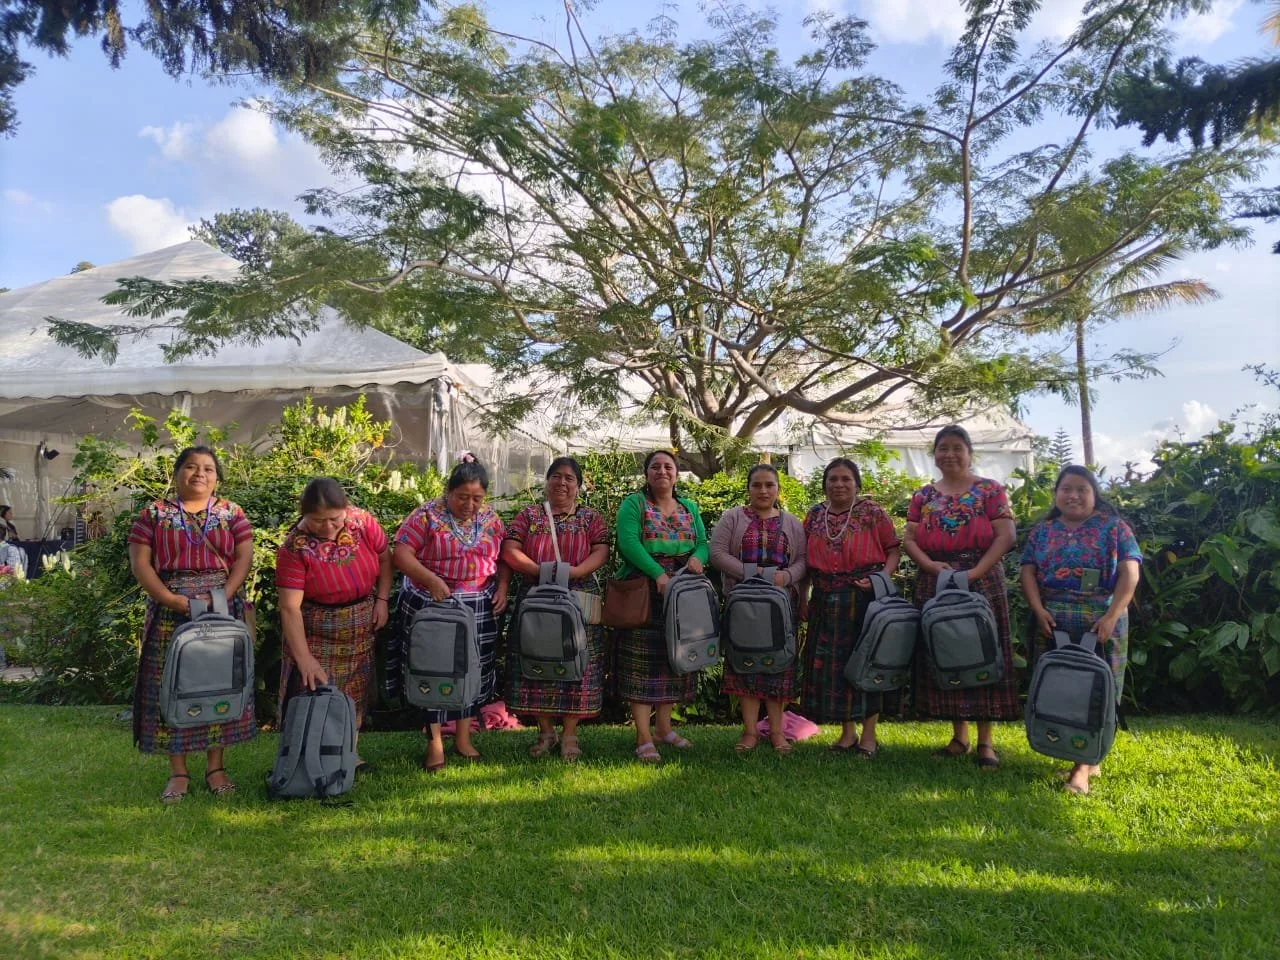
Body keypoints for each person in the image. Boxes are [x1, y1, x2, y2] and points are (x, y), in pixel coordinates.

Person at [126, 446, 255, 802]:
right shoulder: (153, 514)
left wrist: (225, 594)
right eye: (191, 467)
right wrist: (169, 599)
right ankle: (178, 772)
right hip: (171, 608)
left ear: (217, 476)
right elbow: (141, 564)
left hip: (222, 606)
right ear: (177, 472)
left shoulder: (232, 513)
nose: (200, 474)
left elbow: (245, 556)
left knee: (219, 684)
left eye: (209, 468)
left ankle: (216, 768)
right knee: (171, 686)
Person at [1020, 465, 1142, 795]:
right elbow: (1027, 572)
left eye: (1082, 489)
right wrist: (1038, 609)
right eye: (1066, 488)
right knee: (1060, 689)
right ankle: (1078, 751)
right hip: (1053, 619)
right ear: (1056, 493)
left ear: (1094, 495)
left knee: (1095, 692)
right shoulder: (1042, 531)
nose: (1073, 495)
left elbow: (1130, 573)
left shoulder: (1114, 528)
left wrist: (1112, 616)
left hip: (1102, 620)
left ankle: (1082, 767)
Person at [903, 424, 1018, 770]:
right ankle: (959, 737)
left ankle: (986, 743)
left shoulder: (989, 491)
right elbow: (909, 539)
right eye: (942, 448)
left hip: (981, 579)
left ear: (969, 453)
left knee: (982, 654)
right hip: (936, 581)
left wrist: (976, 572)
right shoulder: (924, 495)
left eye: (957, 447)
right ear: (934, 454)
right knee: (948, 651)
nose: (949, 454)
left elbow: (1006, 535)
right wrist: (933, 567)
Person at [391, 458, 509, 772]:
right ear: (448, 491)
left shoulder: (491, 519)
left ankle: (463, 737)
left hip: (477, 605)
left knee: (470, 669)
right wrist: (432, 580)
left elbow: (506, 554)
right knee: (433, 670)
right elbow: (401, 552)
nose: (470, 504)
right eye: (462, 497)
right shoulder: (426, 516)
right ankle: (434, 743)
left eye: (477, 498)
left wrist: (503, 587)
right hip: (432, 603)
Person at [275, 478, 392, 772]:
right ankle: (312, 757)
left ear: (346, 510)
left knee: (355, 692)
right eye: (318, 521)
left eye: (334, 519)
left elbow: (385, 557)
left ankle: (349, 754)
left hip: (361, 622)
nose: (327, 527)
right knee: (317, 692)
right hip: (317, 630)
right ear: (305, 514)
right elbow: (289, 607)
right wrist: (304, 658)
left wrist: (382, 600)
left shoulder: (362, 522)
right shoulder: (294, 548)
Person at [502, 457, 611, 761]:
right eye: (556, 477)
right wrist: (539, 570)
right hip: (536, 596)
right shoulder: (529, 516)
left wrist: (574, 573)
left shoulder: (591, 518)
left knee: (578, 663)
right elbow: (510, 548)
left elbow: (601, 550)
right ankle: (546, 731)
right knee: (536, 660)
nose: (562, 483)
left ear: (578, 486)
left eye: (569, 478)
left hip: (578, 598)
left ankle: (571, 735)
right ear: (546, 481)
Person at [613, 450, 710, 763]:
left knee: (674, 661)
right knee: (642, 666)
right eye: (655, 466)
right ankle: (643, 735)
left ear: (677, 473)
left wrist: (698, 557)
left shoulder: (689, 506)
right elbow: (628, 543)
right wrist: (657, 574)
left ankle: (664, 729)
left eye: (668, 466)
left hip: (682, 592)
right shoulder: (634, 504)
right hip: (645, 591)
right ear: (646, 473)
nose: (662, 471)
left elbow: (703, 542)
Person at [800, 458, 901, 757]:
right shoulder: (815, 515)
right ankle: (847, 734)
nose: (839, 484)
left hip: (863, 599)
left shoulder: (872, 512)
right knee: (836, 669)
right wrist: (802, 596)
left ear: (857, 484)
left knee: (866, 663)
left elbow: (893, 549)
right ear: (825, 484)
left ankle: (869, 736)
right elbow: (805, 562)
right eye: (833, 479)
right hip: (824, 599)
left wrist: (881, 578)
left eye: (846, 479)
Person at [710, 463, 808, 754]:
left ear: (778, 489)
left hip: (781, 605)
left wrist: (787, 578)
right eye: (757, 485)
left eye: (769, 485)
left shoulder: (792, 522)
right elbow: (717, 553)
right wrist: (747, 572)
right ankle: (750, 732)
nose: (763, 490)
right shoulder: (733, 518)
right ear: (748, 488)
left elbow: (803, 561)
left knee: (778, 665)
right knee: (745, 664)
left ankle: (777, 732)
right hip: (743, 606)